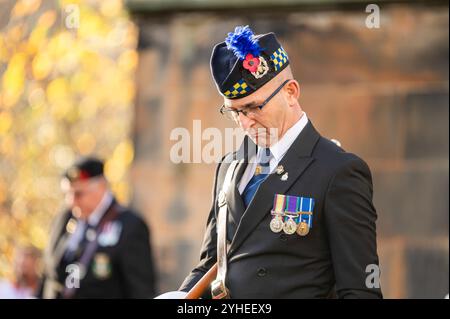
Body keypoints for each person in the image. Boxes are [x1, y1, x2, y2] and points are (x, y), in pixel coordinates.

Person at [179, 25, 382, 298]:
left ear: (291, 92)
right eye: (235, 112)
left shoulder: (338, 171)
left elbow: (360, 289)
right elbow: (211, 265)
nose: (245, 122)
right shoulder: (229, 167)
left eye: (254, 107)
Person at [37, 157, 157, 298]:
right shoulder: (63, 218)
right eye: (67, 194)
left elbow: (140, 290)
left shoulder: (129, 226)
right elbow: (48, 274)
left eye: (78, 194)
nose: (71, 201)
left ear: (101, 187)